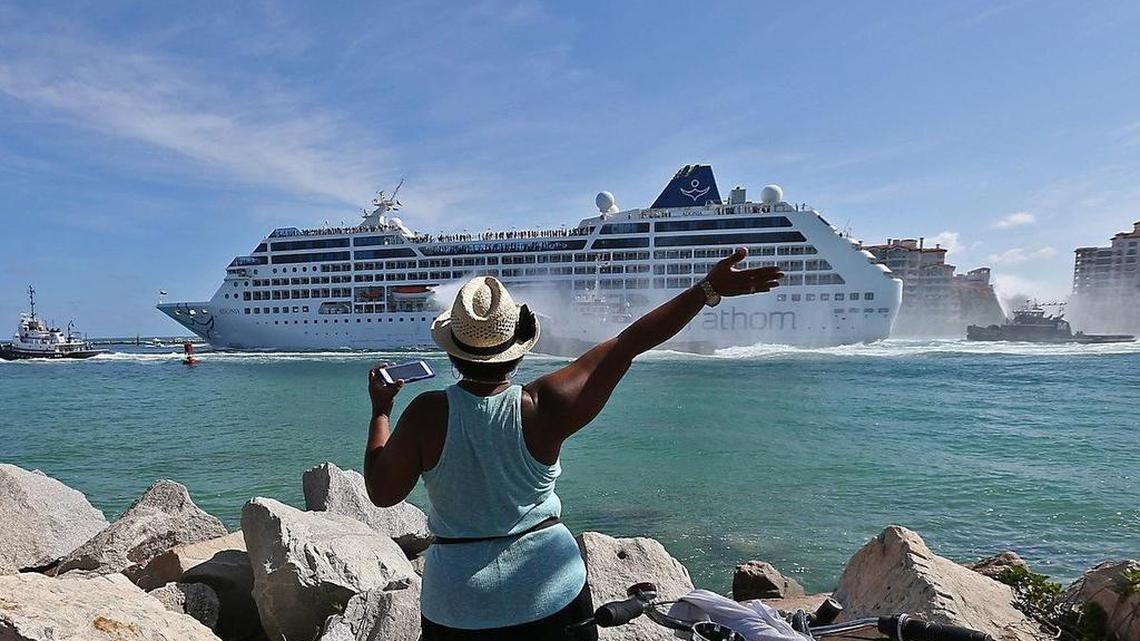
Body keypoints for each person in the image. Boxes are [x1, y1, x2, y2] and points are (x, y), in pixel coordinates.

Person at [363, 247, 782, 640]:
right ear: (516, 348)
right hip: (551, 591)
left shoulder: (426, 413)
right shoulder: (545, 406)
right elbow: (629, 343)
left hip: (458, 606)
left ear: (453, 350)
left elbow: (382, 494)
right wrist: (707, 290)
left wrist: (381, 410)